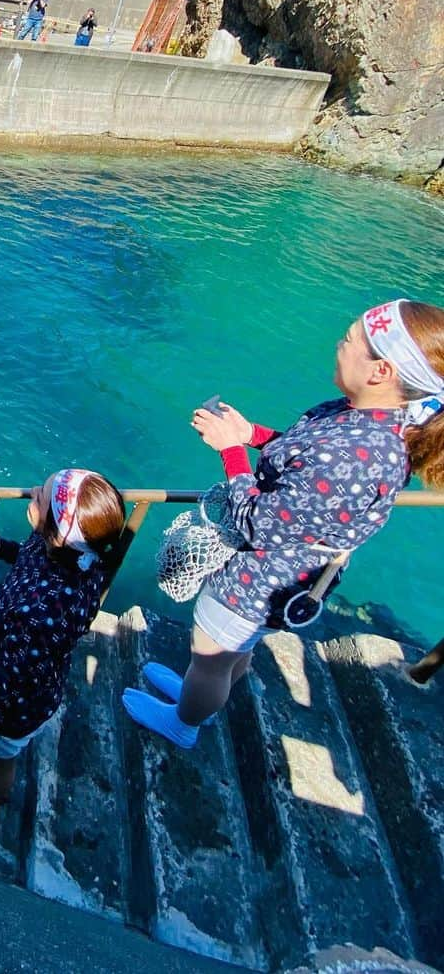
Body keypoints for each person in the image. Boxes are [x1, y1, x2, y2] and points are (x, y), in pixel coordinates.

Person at [122, 298, 444, 750]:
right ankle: (200, 697)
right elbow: (303, 458)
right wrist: (251, 433)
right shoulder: (373, 421)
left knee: (210, 657)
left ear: (381, 372)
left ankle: (185, 722)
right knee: (235, 651)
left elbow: (258, 524)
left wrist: (230, 450)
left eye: (350, 341)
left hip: (258, 581)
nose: (340, 344)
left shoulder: (355, 456)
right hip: (286, 579)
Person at [0, 468, 125, 812]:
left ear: (59, 528)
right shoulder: (75, 554)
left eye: (41, 496)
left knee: (2, 760)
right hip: (33, 674)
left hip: (13, 706)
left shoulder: (43, 615)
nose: (33, 490)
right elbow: (31, 556)